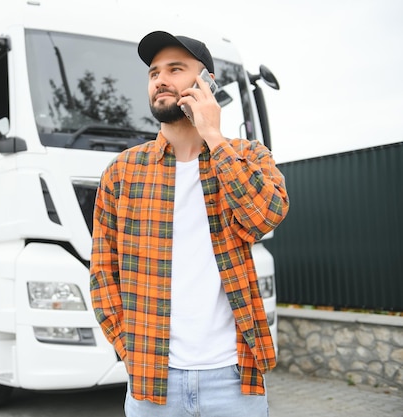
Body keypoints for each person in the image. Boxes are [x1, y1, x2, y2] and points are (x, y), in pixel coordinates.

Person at [89, 30, 290, 417]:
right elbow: (102, 273)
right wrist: (130, 349)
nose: (160, 79)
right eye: (153, 73)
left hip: (234, 380)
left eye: (175, 69)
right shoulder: (122, 173)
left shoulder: (249, 156)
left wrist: (213, 136)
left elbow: (264, 218)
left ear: (206, 83)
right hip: (153, 383)